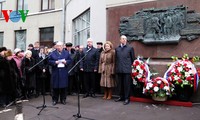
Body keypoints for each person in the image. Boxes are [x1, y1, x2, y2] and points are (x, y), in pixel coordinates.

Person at [48, 41, 72, 105]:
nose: (59, 47)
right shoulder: (52, 53)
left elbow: (70, 60)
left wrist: (66, 62)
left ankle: (63, 99)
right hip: (55, 72)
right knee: (55, 87)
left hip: (63, 72)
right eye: (57, 46)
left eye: (60, 46)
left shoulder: (66, 53)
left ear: (62, 46)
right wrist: (54, 62)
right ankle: (55, 99)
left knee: (63, 87)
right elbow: (49, 61)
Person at [115, 35, 135, 105]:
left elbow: (133, 60)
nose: (123, 40)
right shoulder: (117, 49)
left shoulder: (130, 48)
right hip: (119, 69)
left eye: (125, 39)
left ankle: (127, 98)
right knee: (120, 84)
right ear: (120, 40)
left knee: (127, 85)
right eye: (122, 39)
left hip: (127, 70)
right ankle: (121, 96)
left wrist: (131, 68)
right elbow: (116, 59)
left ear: (126, 40)